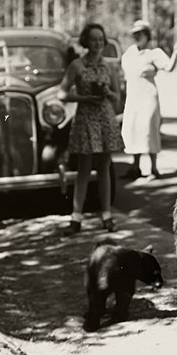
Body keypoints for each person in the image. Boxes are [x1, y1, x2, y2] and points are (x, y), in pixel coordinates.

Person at [58, 23, 123, 235]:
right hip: (86, 118)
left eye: (101, 39)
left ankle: (107, 215)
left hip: (104, 119)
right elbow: (62, 94)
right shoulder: (77, 65)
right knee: (83, 170)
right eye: (93, 39)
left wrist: (107, 94)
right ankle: (76, 218)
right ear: (86, 41)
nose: (97, 43)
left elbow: (117, 98)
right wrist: (83, 97)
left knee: (104, 169)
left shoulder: (109, 67)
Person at [121, 20, 177, 180]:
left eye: (140, 34)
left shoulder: (154, 53)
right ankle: (135, 168)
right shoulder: (129, 53)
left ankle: (153, 169)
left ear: (147, 35)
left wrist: (176, 53)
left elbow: (169, 67)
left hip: (148, 97)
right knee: (132, 130)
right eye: (135, 34)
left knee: (149, 130)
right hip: (133, 98)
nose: (137, 37)